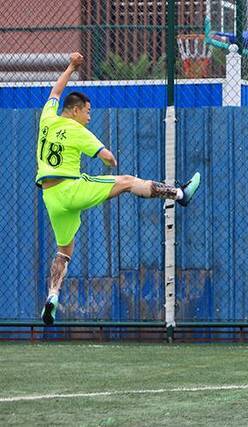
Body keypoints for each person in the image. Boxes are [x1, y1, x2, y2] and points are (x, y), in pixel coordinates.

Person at [36, 52, 201, 326]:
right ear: (76, 110)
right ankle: (179, 194)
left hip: (50, 196)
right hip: (71, 188)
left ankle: (53, 295)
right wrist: (109, 159)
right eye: (88, 112)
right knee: (126, 181)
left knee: (63, 252)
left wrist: (71, 67)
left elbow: (56, 90)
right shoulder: (78, 131)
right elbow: (108, 157)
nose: (89, 117)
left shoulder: (47, 119)